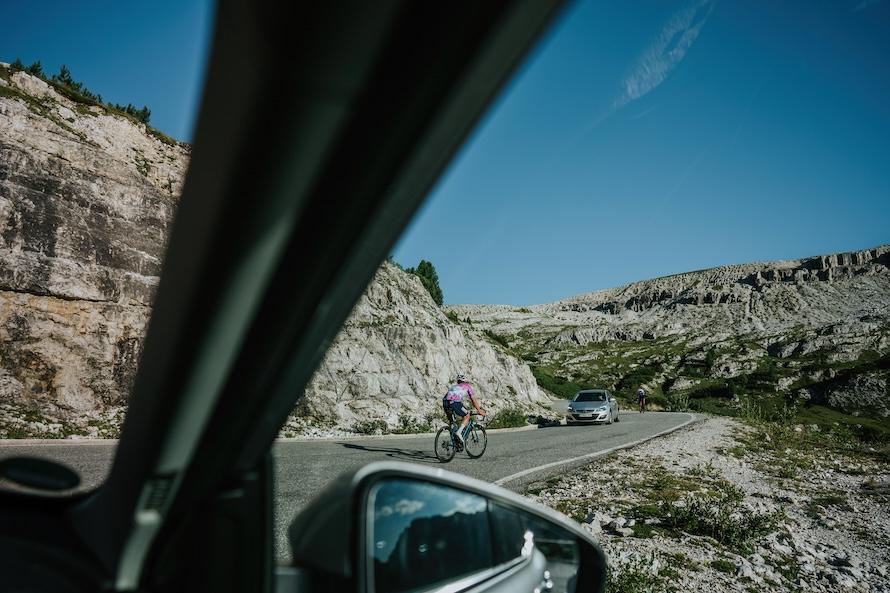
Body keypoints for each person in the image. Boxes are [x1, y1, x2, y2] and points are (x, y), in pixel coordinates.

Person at [442, 373, 487, 445]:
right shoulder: (468, 386)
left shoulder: (454, 386)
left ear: (458, 382)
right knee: (467, 415)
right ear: (466, 381)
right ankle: (459, 433)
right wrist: (479, 410)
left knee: (452, 421)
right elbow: (473, 400)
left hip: (445, 402)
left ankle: (454, 441)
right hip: (455, 402)